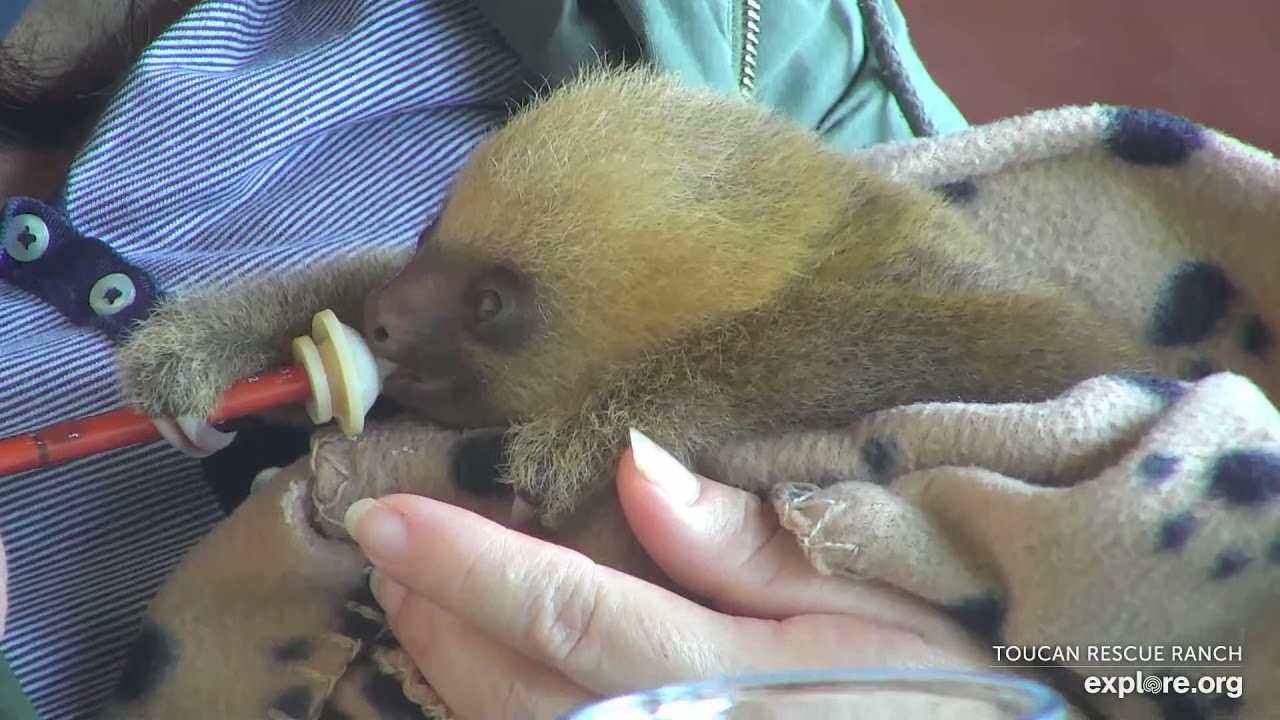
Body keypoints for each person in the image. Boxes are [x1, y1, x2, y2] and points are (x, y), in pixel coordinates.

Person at [0, 0, 969, 717]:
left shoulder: (785, 69)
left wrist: (1067, 682)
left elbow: (936, 324)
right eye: (425, 240)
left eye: (490, 304)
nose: (387, 311)